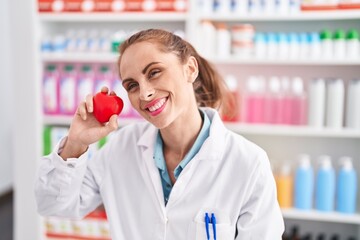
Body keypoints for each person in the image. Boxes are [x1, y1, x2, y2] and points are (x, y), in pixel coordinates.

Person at [35, 28, 284, 239]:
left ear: (190, 69)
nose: (144, 94)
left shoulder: (247, 162)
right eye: (131, 85)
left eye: (154, 72)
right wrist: (75, 144)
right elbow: (52, 205)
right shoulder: (119, 149)